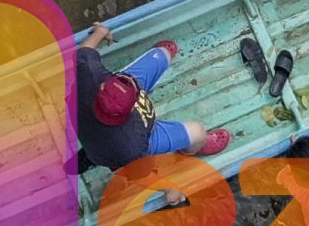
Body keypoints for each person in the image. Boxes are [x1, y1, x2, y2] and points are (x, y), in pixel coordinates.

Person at [75, 23, 231, 172]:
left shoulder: (89, 78)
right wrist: (168, 189)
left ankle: (87, 159)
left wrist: (99, 32)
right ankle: (192, 149)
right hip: (132, 140)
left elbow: (83, 52)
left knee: (163, 54)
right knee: (198, 132)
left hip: (95, 135)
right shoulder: (132, 146)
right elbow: (141, 171)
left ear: (103, 87)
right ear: (133, 106)